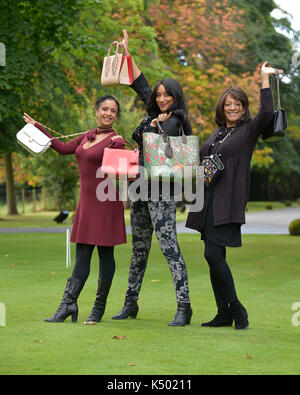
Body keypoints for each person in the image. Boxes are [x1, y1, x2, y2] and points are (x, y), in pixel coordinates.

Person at [185, 62, 283, 329]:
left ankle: (237, 310)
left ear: (243, 107)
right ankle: (223, 313)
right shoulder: (219, 132)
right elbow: (202, 157)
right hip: (207, 199)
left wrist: (263, 78)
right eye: (228, 103)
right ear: (222, 106)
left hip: (227, 200)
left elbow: (266, 111)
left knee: (213, 255)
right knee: (215, 256)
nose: (232, 107)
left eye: (237, 103)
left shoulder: (249, 130)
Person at [112, 30, 193, 326]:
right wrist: (126, 54)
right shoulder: (151, 113)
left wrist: (162, 128)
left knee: (169, 247)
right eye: (159, 94)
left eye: (167, 94)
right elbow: (140, 84)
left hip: (161, 190)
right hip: (139, 188)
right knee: (139, 248)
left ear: (176, 96)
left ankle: (184, 307)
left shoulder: (177, 119)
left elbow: (179, 154)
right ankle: (130, 303)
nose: (161, 98)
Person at [23, 95, 127, 324]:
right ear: (97, 111)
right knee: (82, 255)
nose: (108, 113)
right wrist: (37, 128)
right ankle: (68, 305)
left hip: (106, 204)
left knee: (105, 254)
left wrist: (119, 146)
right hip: (87, 205)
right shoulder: (88, 135)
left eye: (113, 111)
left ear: (116, 116)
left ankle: (98, 309)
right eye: (105, 109)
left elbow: (120, 171)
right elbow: (62, 148)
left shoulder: (115, 140)